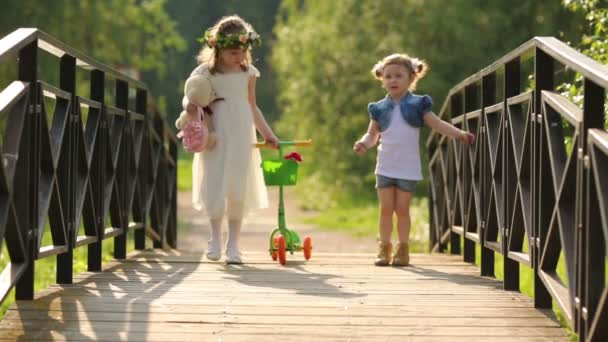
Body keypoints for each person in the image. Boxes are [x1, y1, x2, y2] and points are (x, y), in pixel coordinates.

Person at [353, 53, 474, 267]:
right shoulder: (378, 108)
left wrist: (459, 134)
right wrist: (363, 143)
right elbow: (372, 135)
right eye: (388, 76)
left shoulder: (419, 105)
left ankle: (403, 248)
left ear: (411, 78)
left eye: (398, 76)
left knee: (402, 210)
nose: (393, 80)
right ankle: (384, 248)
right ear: (382, 79)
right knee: (385, 209)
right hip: (385, 165)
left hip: (407, 167)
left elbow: (437, 124)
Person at [176, 15, 279, 264]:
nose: (239, 57)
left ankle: (233, 244)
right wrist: (189, 107)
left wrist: (268, 133)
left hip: (241, 134)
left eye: (243, 51)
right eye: (233, 52)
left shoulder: (248, 73)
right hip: (216, 135)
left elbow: (253, 106)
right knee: (215, 184)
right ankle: (215, 238)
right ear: (218, 49)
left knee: (237, 187)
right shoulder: (204, 72)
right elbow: (191, 96)